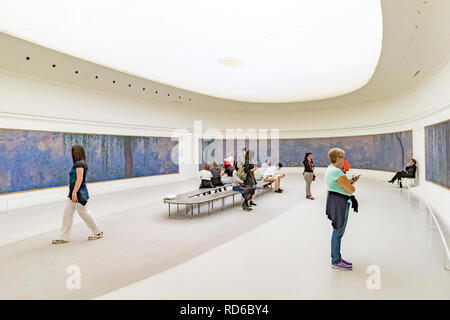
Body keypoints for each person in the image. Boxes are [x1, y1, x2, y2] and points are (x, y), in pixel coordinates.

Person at [52, 145, 103, 244]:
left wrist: (74, 193)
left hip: (77, 193)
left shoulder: (79, 164)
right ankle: (64, 237)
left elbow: (79, 179)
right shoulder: (81, 163)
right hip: (73, 193)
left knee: (83, 213)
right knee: (67, 214)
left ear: (75, 153)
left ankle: (98, 232)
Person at [325, 148, 360, 271]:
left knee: (337, 231)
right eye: (343, 157)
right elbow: (351, 190)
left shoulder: (330, 169)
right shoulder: (337, 172)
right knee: (338, 232)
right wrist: (351, 184)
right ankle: (336, 261)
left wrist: (350, 182)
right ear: (338, 158)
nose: (345, 159)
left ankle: (337, 258)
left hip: (335, 200)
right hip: (340, 203)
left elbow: (339, 186)